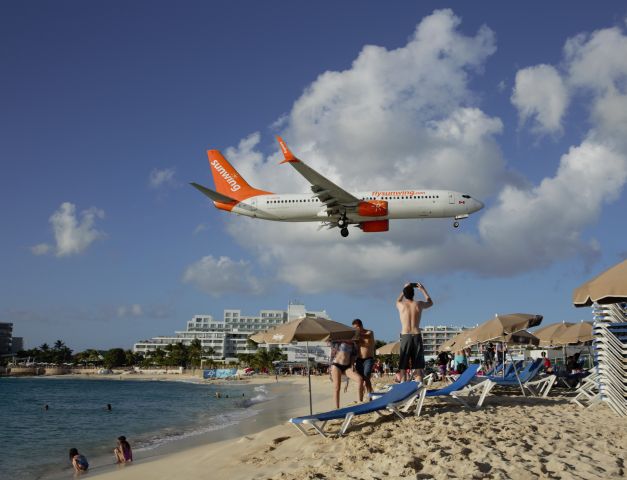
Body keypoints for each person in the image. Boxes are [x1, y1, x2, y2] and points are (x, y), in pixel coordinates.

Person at [395, 282, 433, 382]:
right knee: (418, 367)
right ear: (414, 294)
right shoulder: (419, 304)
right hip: (416, 334)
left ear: (404, 293)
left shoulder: (401, 305)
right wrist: (422, 289)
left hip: (405, 335)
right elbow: (430, 302)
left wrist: (404, 288)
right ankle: (418, 393)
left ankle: (403, 391)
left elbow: (398, 300)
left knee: (403, 367)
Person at [329, 339, 363, 408]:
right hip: (336, 365)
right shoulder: (339, 340)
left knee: (360, 379)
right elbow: (330, 343)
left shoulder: (353, 343)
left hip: (347, 366)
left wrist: (352, 365)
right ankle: (337, 408)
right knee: (337, 387)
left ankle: (360, 402)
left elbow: (353, 356)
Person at [352, 319, 375, 401]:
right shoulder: (356, 335)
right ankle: (360, 399)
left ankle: (370, 394)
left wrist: (357, 334)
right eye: (354, 328)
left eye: (356, 327)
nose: (356, 329)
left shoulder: (369, 332)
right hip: (359, 359)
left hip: (368, 358)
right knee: (361, 379)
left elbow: (367, 338)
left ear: (361, 326)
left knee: (367, 374)